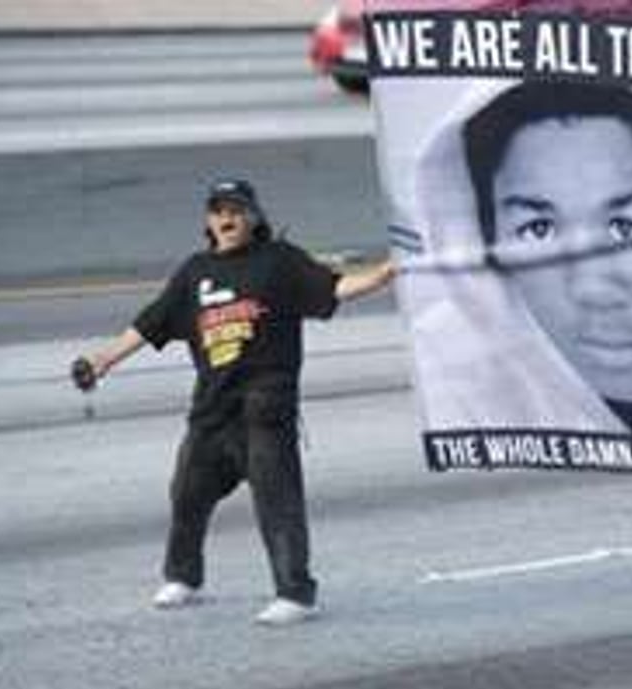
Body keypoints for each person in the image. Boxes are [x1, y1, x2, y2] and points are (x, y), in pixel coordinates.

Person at [70, 179, 397, 626]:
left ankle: (296, 595)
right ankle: (184, 577)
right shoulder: (194, 272)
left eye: (238, 210)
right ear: (209, 220)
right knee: (186, 495)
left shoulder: (279, 262)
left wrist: (382, 274)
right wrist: (101, 359)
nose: (228, 218)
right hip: (212, 413)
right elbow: (151, 323)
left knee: (277, 504)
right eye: (219, 210)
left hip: (265, 409)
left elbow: (334, 288)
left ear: (254, 217)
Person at [457, 80, 632, 441]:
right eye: (539, 229)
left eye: (625, 228)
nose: (593, 289)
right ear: (492, 250)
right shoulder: (467, 396)